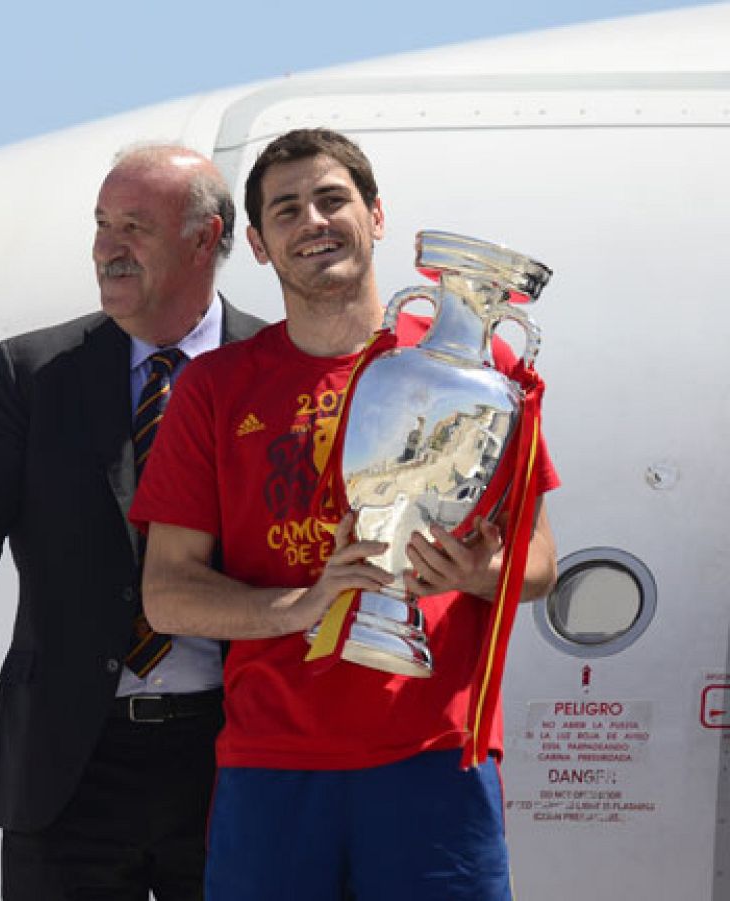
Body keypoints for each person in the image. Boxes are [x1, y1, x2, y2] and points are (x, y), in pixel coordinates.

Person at [131, 128, 559, 900]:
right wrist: (305, 602)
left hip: (436, 755)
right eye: (287, 210)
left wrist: (478, 570)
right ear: (259, 246)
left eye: (334, 199)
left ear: (378, 216)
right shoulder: (215, 389)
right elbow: (166, 593)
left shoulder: (479, 371)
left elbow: (539, 565)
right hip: (273, 766)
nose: (313, 221)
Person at [0, 144, 265, 899]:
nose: (108, 248)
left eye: (135, 227)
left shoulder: (274, 368)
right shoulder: (35, 371)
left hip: (232, 747)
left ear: (205, 239)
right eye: (101, 225)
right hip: (70, 756)